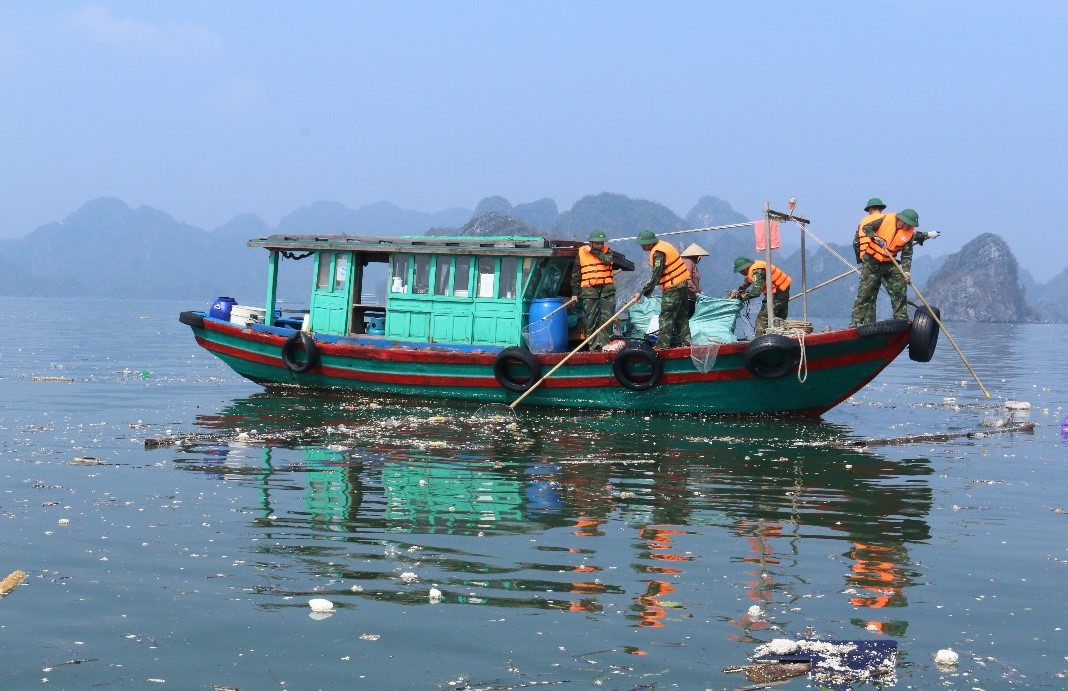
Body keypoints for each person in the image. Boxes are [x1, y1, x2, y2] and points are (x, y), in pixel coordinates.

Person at [849, 208, 927, 325]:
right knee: (865, 292)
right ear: (901, 220)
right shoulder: (885, 220)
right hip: (872, 261)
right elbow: (867, 228)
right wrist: (875, 237)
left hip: (889, 262)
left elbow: (907, 255)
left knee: (899, 288)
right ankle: (855, 322)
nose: (910, 227)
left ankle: (901, 319)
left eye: (912, 225)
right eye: (908, 224)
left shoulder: (909, 233)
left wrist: (906, 272)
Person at [633, 230, 691, 349]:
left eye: (644, 244)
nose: (642, 246)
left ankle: (662, 346)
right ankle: (686, 343)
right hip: (682, 285)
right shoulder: (664, 245)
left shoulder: (658, 253)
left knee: (666, 317)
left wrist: (642, 293)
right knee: (681, 316)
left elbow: (656, 275)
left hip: (673, 287)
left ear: (650, 243)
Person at [570, 229, 619, 351]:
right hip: (589, 289)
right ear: (591, 242)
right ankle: (594, 347)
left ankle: (607, 346)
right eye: (597, 243)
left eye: (602, 243)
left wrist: (593, 251)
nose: (600, 245)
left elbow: (607, 260)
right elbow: (576, 273)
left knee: (607, 319)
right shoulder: (581, 252)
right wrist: (575, 293)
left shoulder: (607, 251)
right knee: (591, 319)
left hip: (607, 290)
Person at [732, 256, 792, 336]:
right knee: (779, 317)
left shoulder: (758, 271)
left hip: (778, 292)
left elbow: (756, 292)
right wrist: (743, 287)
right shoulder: (755, 267)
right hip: (782, 288)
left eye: (741, 271)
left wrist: (742, 297)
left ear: (745, 268)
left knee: (762, 319)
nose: (740, 273)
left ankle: (761, 340)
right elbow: (750, 279)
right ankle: (778, 336)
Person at [680, 243, 709, 318]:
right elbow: (686, 278)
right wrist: (695, 292)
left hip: (691, 298)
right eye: (699, 256)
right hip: (687, 298)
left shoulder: (691, 263)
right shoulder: (688, 262)